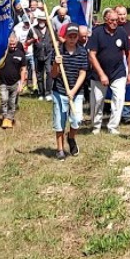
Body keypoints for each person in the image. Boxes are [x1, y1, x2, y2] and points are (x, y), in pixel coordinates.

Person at [87, 8, 129, 134]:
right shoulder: (97, 33)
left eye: (116, 20)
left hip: (118, 72)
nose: (115, 23)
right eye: (112, 20)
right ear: (106, 20)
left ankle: (113, 126)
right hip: (99, 73)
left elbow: (129, 52)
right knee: (97, 100)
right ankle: (96, 125)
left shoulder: (122, 32)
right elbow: (92, 55)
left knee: (119, 98)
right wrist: (101, 74)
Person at [50, 25, 89, 160]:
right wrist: (56, 64)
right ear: (65, 37)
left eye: (75, 36)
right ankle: (60, 149)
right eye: (70, 36)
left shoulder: (82, 52)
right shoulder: (58, 51)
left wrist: (73, 91)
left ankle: (71, 137)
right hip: (59, 91)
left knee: (77, 119)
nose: (72, 39)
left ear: (78, 37)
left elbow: (83, 73)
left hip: (76, 92)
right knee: (60, 121)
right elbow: (53, 75)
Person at [0, 28, 28, 129]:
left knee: (12, 102)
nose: (12, 46)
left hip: (15, 83)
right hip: (3, 82)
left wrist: (21, 83)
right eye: (10, 44)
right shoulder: (2, 54)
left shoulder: (20, 54)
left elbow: (23, 69)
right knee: (4, 99)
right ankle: (4, 116)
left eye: (13, 44)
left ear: (17, 42)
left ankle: (9, 118)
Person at [31, 10, 54, 101]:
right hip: (37, 55)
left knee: (49, 72)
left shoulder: (50, 29)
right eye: (40, 20)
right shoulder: (33, 29)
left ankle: (48, 92)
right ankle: (41, 92)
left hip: (49, 54)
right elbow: (26, 43)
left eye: (43, 20)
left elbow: (56, 40)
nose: (41, 21)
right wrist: (33, 39)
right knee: (39, 74)